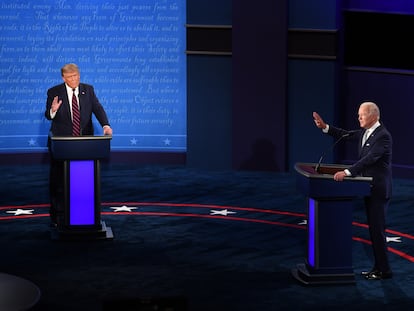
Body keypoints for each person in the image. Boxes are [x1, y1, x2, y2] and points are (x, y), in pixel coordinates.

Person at [312, 101, 392, 280]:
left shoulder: (383, 136)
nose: (358, 118)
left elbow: (370, 159)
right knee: (373, 230)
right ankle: (379, 267)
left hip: (378, 190)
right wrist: (325, 127)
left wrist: (348, 172)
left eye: (361, 115)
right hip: (368, 188)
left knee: (377, 231)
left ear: (373, 116)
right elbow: (345, 135)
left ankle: (384, 270)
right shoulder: (366, 132)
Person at [45, 63, 113, 226]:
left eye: (76, 76)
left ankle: (86, 215)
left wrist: (105, 125)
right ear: (63, 78)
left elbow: (97, 108)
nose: (74, 79)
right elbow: (48, 115)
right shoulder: (54, 92)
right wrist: (53, 110)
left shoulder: (87, 90)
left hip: (84, 145)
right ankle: (58, 217)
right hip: (62, 145)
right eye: (70, 77)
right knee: (58, 181)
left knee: (84, 181)